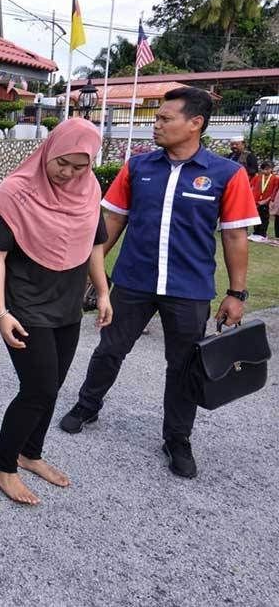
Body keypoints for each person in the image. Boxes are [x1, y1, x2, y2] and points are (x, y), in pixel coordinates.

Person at [59, 87, 259, 479]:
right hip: (133, 282)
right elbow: (112, 221)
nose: (156, 125)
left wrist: (236, 293)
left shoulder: (227, 174)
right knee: (109, 350)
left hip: (190, 289)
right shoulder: (138, 167)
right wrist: (90, 274)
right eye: (157, 118)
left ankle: (177, 438)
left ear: (195, 124)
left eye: (166, 119)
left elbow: (235, 236)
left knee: (183, 366)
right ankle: (87, 406)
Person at [0, 118, 112, 505]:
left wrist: (103, 293)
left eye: (80, 166)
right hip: (24, 305)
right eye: (63, 163)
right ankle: (4, 466)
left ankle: (30, 453)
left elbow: (94, 246)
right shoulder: (15, 192)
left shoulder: (89, 190)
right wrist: (2, 312)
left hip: (67, 304)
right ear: (49, 150)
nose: (69, 173)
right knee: (37, 389)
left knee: (52, 386)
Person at [249, 160, 278, 241]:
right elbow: (251, 187)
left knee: (264, 217)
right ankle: (255, 232)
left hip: (266, 202)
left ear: (272, 169)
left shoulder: (275, 178)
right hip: (256, 201)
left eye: (268, 169)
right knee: (256, 217)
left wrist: (267, 200)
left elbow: (274, 191)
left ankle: (262, 234)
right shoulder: (257, 177)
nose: (266, 171)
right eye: (264, 169)